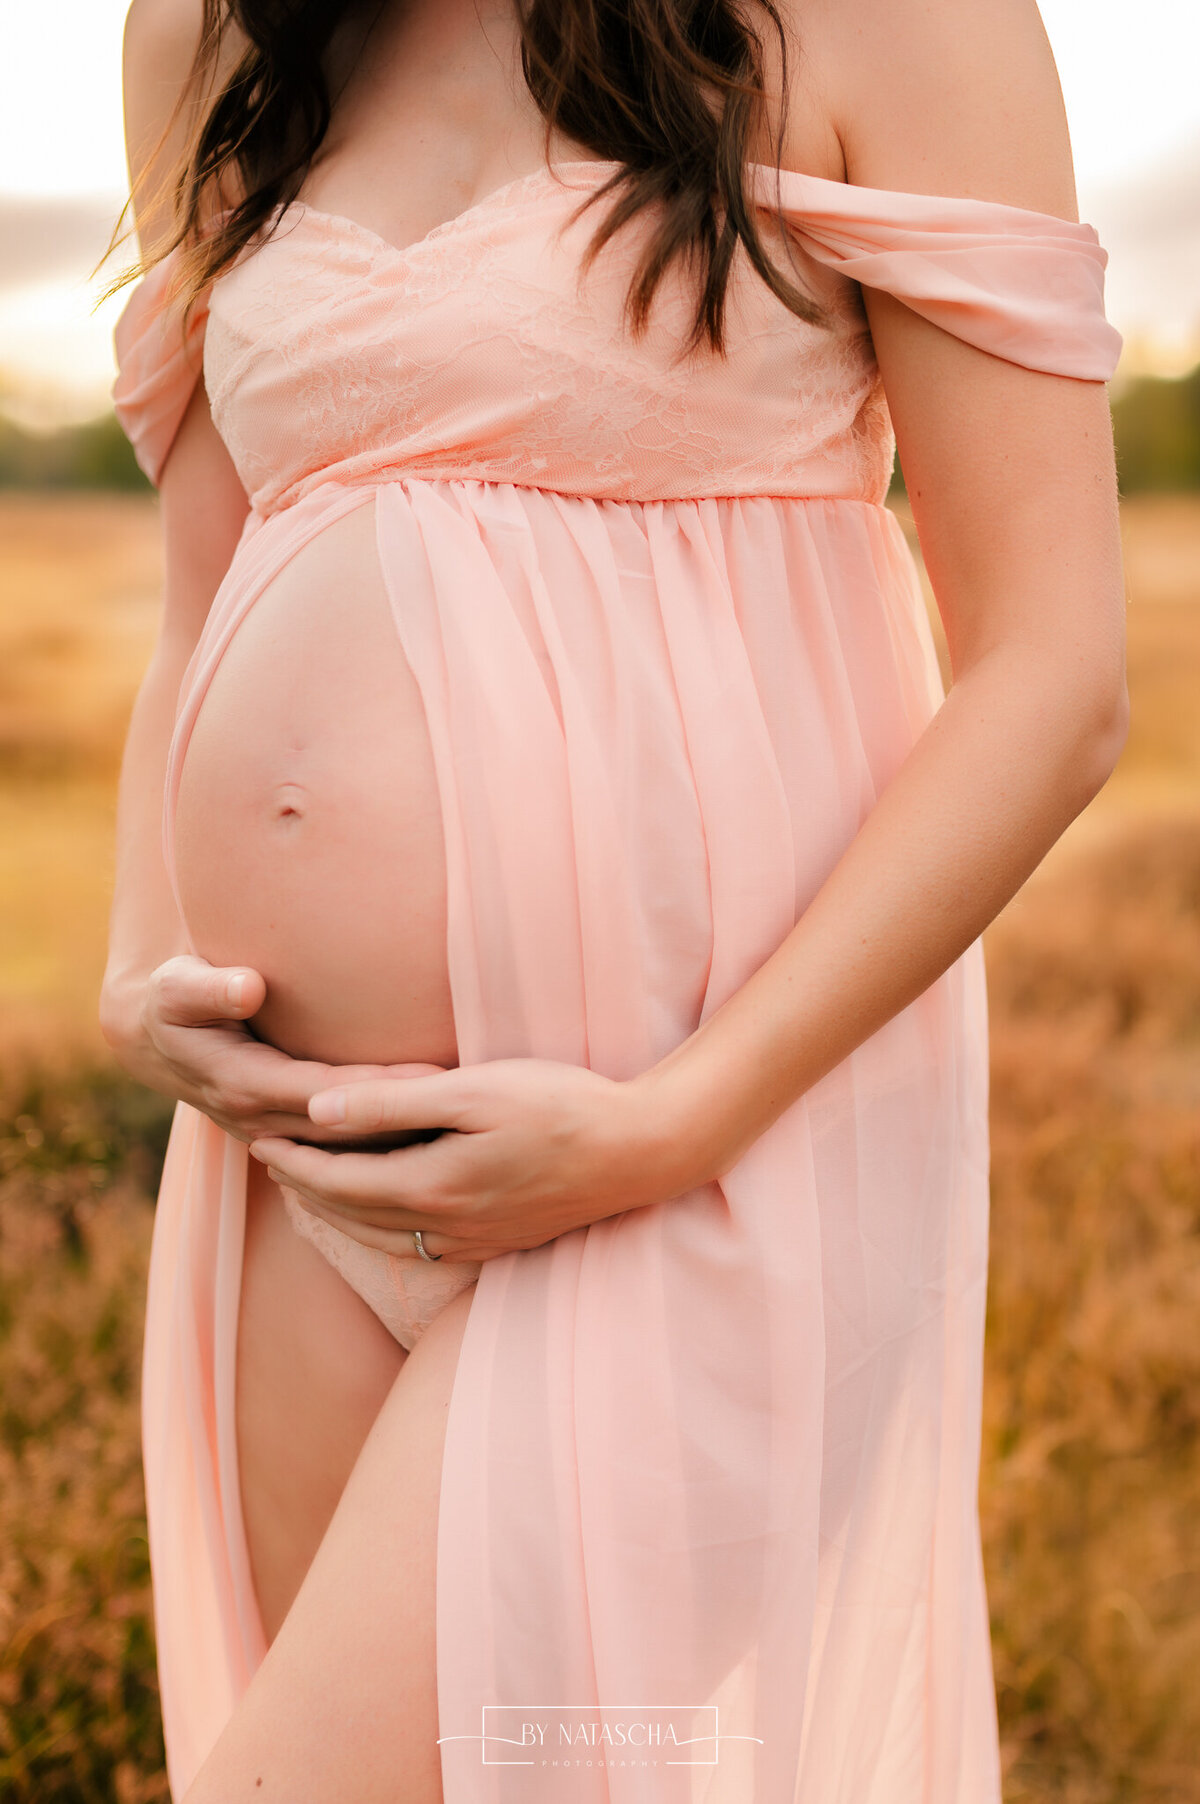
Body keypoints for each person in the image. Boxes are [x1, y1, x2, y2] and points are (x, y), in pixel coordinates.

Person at [101, 0, 1126, 1797]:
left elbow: (1054, 674)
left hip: (708, 1154)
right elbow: (207, 589)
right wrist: (138, 964)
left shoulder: (898, 23)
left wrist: (672, 1125)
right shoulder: (215, 31)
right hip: (304, 1168)